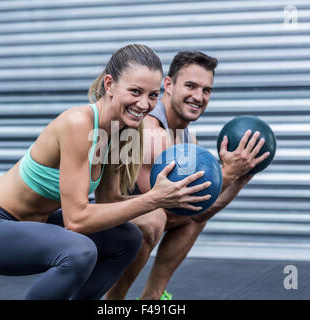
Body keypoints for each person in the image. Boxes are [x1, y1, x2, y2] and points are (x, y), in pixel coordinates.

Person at [0, 44, 213, 300]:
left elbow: (110, 205)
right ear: (110, 85)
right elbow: (76, 220)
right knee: (79, 250)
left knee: (126, 239)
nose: (144, 104)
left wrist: (165, 199)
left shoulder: (122, 132)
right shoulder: (78, 123)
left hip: (34, 223)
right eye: (135, 91)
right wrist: (153, 199)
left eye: (152, 95)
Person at [105, 51, 270, 300]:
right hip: (98, 213)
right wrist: (226, 173)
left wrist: (239, 178)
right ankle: (113, 301)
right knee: (154, 219)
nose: (199, 97)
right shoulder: (150, 131)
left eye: (206, 90)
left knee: (195, 219)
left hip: (139, 216)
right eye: (191, 86)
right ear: (169, 85)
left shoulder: (186, 137)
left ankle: (152, 298)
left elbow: (199, 211)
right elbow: (167, 205)